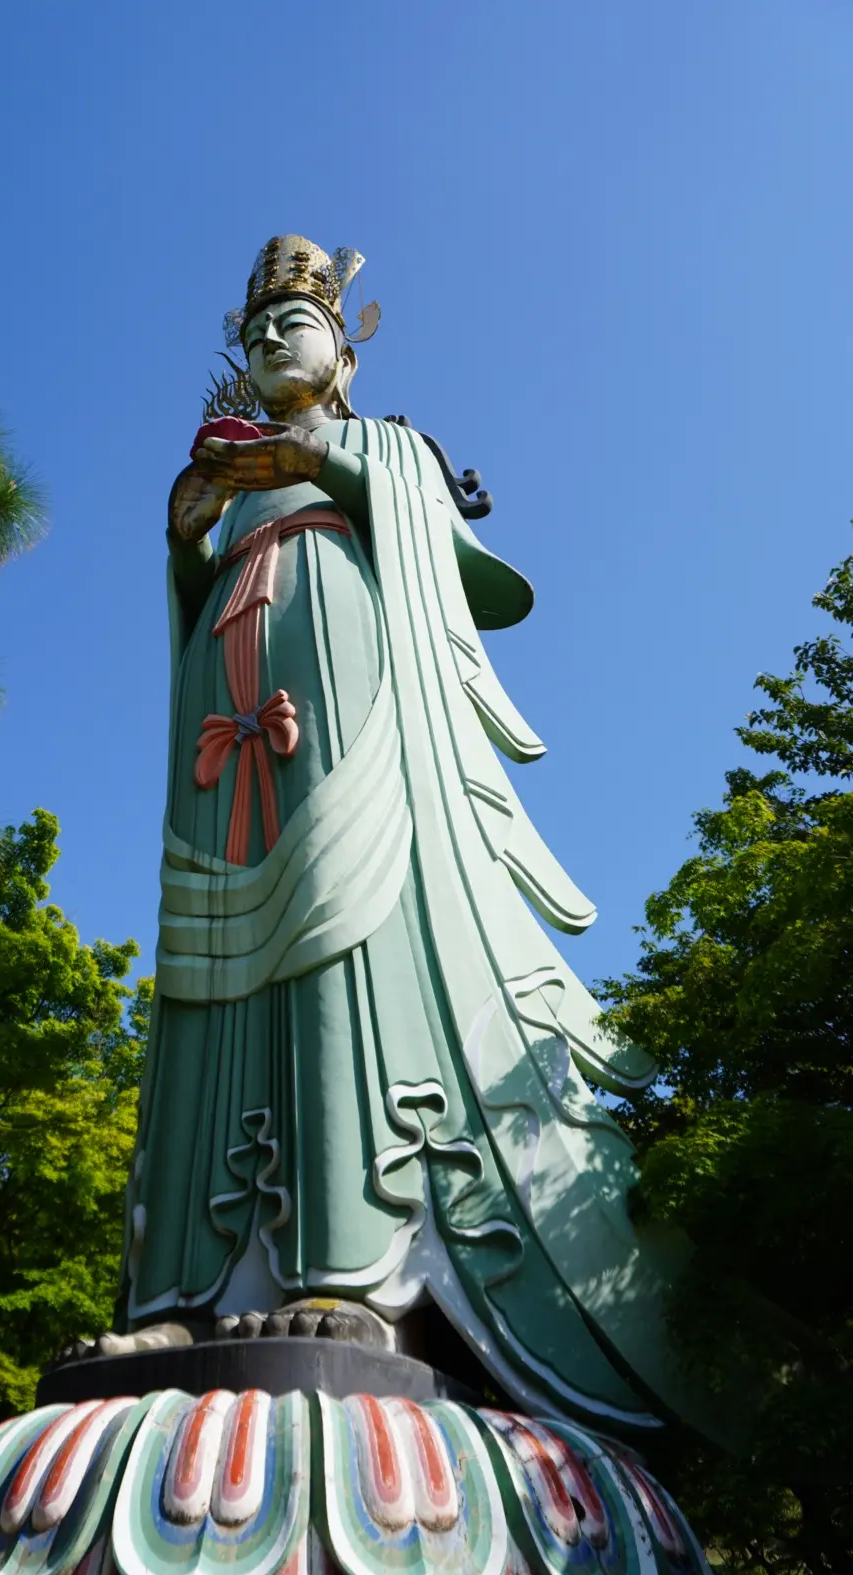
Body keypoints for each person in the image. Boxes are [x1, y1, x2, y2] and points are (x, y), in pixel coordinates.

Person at [123, 235, 702, 1435]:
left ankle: (343, 1267)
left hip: (344, 744)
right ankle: (176, 1290)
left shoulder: (382, 449)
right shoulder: (237, 495)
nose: (271, 341)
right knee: (202, 999)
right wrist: (189, 542)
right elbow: (194, 612)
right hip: (222, 769)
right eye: (256, 328)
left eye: (296, 322)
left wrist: (321, 462)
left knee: (340, 954)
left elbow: (455, 565)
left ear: (344, 346)